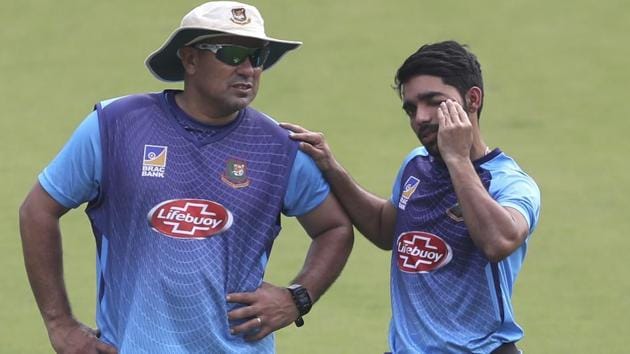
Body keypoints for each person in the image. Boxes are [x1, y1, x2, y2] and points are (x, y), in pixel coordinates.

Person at [18, 2, 354, 353]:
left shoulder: (277, 147)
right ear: (190, 59)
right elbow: (37, 210)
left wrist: (298, 296)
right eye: (233, 53)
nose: (248, 69)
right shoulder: (114, 126)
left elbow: (334, 228)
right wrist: (59, 323)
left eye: (258, 57)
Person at [282, 40, 541, 354]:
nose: (420, 117)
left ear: (473, 99)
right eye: (411, 108)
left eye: (434, 102)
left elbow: (498, 242)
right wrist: (330, 166)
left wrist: (458, 159)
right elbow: (384, 228)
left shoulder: (509, 182)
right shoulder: (416, 165)